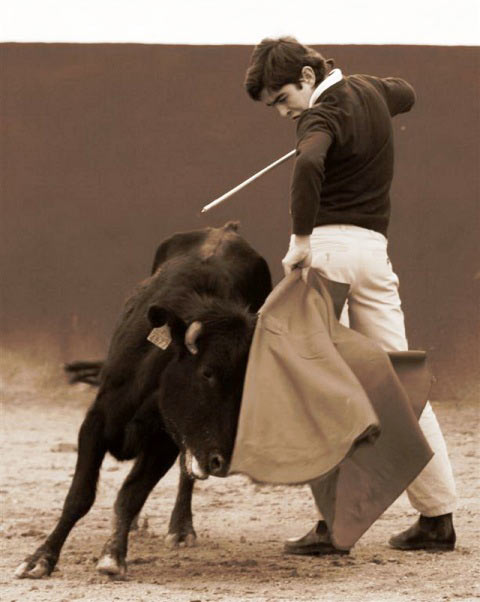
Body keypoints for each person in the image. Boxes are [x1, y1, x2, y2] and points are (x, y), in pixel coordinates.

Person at [244, 36, 457, 554]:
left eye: (282, 97)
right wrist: (361, 91)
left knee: (316, 386)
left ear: (308, 78)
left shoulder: (315, 120)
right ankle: (437, 518)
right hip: (374, 256)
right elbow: (404, 91)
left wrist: (299, 243)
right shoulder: (370, 93)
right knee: (401, 384)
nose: (281, 111)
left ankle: (332, 526)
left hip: (329, 255)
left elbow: (310, 164)